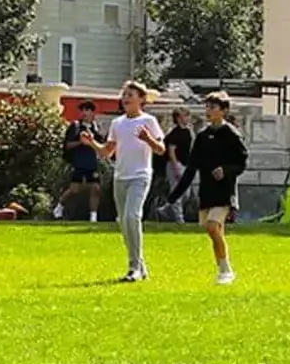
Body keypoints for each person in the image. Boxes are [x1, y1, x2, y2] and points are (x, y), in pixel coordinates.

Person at [101, 83, 168, 282]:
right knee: (123, 221)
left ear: (141, 99)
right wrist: (92, 144)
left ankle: (134, 268)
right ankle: (140, 264)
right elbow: (107, 152)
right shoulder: (117, 123)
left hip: (140, 175)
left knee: (132, 216)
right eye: (124, 95)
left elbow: (161, 149)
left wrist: (147, 138)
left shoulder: (149, 121)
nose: (125, 98)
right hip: (120, 177)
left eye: (130, 95)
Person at [185, 91, 248, 284]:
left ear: (224, 111)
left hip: (224, 192)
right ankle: (223, 268)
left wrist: (226, 170)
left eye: (213, 107)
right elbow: (192, 165)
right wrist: (174, 196)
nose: (208, 110)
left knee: (213, 226)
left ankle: (226, 270)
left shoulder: (231, 134)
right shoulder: (203, 136)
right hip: (207, 191)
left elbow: (242, 162)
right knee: (214, 232)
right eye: (207, 107)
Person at [61, 97, 102, 216]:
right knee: (74, 189)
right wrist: (80, 142)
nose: (84, 112)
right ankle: (60, 205)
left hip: (91, 163)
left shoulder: (95, 128)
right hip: (78, 163)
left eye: (87, 110)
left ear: (92, 112)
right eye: (82, 110)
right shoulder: (75, 126)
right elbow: (67, 145)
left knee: (96, 189)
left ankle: (93, 216)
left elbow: (101, 144)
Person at [162, 109, 196, 224]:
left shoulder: (188, 131)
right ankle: (179, 219)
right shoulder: (174, 133)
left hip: (186, 164)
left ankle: (165, 209)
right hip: (175, 164)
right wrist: (175, 166)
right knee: (177, 189)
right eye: (185, 116)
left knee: (186, 192)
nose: (187, 118)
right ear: (178, 118)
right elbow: (171, 151)